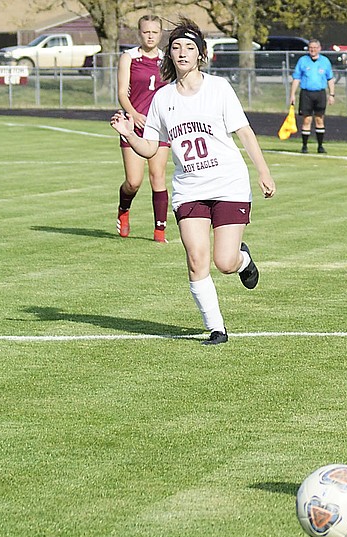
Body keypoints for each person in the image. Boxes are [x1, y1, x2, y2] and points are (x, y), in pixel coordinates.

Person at [110, 19, 276, 346]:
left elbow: (244, 132)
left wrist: (263, 170)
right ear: (169, 56)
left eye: (189, 47)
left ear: (201, 54)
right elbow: (150, 147)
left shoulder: (219, 88)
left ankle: (243, 260)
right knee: (196, 259)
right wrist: (129, 133)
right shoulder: (162, 98)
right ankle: (217, 328)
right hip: (190, 189)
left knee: (224, 262)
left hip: (228, 183)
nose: (182, 53)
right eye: (176, 47)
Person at [116, 15, 170, 243]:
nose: (150, 36)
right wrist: (135, 114)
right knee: (133, 182)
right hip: (134, 126)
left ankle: (159, 233)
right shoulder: (129, 58)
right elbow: (121, 93)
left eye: (154, 32)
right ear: (140, 33)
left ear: (160, 34)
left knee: (158, 177)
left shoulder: (167, 60)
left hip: (159, 128)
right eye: (146, 32)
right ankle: (123, 209)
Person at [288, 39, 335, 154]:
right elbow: (296, 78)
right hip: (306, 93)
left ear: (319, 48)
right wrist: (292, 94)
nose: (313, 50)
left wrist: (332, 94)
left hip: (320, 93)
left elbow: (330, 79)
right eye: (310, 48)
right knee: (307, 119)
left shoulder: (325, 61)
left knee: (319, 119)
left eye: (315, 47)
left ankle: (320, 146)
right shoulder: (303, 61)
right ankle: (304, 146)